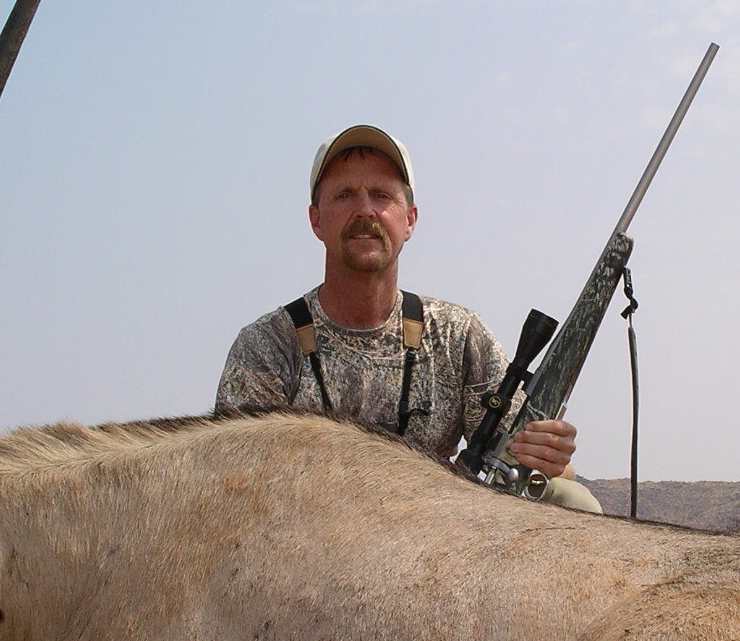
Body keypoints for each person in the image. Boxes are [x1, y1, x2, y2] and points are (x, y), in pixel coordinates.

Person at [215, 124, 602, 513]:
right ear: (316, 220)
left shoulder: (457, 334)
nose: (365, 210)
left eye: (381, 195)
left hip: (435, 542)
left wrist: (547, 452)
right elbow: (232, 484)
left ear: (410, 219)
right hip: (308, 542)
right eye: (345, 195)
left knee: (572, 500)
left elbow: (523, 461)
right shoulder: (267, 346)